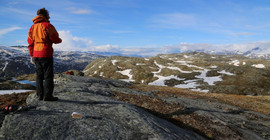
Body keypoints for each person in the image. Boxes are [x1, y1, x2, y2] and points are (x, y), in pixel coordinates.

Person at [27, 8, 62, 101]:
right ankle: (48, 96)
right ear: (46, 15)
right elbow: (55, 39)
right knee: (48, 75)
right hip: (46, 53)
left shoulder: (32, 27)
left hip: (36, 53)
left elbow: (30, 43)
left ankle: (40, 95)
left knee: (39, 75)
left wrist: (32, 55)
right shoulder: (48, 26)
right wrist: (60, 40)